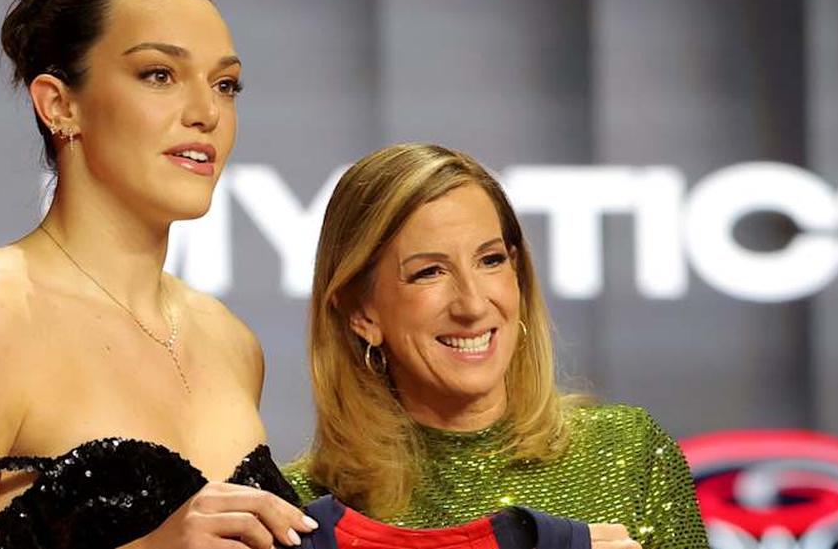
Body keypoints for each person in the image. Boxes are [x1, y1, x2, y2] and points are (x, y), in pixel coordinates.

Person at [0, 0, 316, 549]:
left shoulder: (229, 342)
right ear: (59, 105)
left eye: (225, 85)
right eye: (159, 75)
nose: (206, 114)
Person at [284, 144, 708, 549]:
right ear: (361, 312)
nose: (472, 305)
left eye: (490, 260)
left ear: (516, 272)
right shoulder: (299, 516)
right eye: (429, 272)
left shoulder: (628, 452)